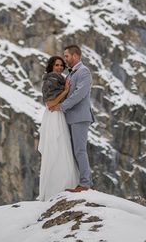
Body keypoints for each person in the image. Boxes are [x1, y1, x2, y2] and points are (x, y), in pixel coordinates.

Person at [50, 44, 94, 192]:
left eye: (67, 56)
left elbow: (80, 94)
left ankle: (85, 184)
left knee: (80, 151)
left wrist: (62, 107)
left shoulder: (84, 72)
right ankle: (77, 182)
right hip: (70, 117)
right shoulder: (70, 74)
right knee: (72, 151)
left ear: (75, 56)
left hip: (80, 117)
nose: (65, 59)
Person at [37, 55, 79, 201]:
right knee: (57, 148)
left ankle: (64, 185)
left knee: (62, 149)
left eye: (61, 65)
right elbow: (50, 104)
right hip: (53, 117)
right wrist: (65, 91)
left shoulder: (59, 79)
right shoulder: (50, 81)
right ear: (51, 67)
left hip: (59, 115)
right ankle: (55, 188)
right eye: (57, 65)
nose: (60, 67)